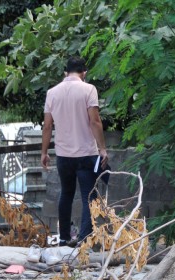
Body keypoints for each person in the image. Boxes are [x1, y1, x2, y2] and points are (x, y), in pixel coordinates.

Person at [41, 56, 108, 246]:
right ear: (84, 73)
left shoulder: (52, 93)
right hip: (87, 153)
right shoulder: (89, 90)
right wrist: (102, 148)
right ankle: (84, 240)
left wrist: (44, 152)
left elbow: (47, 126)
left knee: (66, 193)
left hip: (63, 155)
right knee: (89, 196)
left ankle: (63, 238)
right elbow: (95, 121)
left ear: (65, 73)